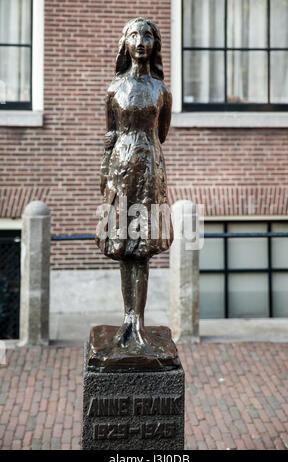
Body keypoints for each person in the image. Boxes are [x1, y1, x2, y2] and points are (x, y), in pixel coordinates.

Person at [96, 17, 173, 352]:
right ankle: (128, 318)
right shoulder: (114, 89)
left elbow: (161, 134)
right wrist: (105, 173)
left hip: (149, 170)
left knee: (142, 250)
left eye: (147, 36)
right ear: (124, 44)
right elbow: (111, 134)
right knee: (125, 247)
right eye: (134, 36)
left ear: (155, 44)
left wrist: (148, 160)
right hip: (120, 170)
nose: (141, 42)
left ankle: (136, 323)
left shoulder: (161, 91)